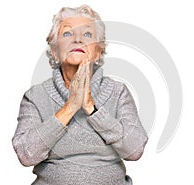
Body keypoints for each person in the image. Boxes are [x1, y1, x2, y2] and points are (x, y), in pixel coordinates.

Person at [12, 5, 148, 185]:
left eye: (87, 34)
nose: (77, 39)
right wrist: (70, 107)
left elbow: (135, 150)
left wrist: (92, 108)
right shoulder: (35, 96)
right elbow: (26, 154)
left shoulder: (118, 92)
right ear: (54, 51)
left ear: (99, 52)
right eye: (67, 34)